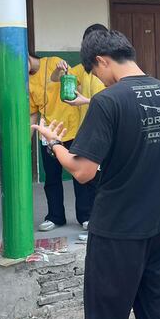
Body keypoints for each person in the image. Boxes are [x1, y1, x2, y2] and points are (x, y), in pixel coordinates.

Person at [32, 30, 160, 319]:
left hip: (117, 234)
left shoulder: (109, 101)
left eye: (95, 72)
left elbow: (82, 170)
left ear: (102, 60)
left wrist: (55, 143)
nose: (97, 79)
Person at [50, 23, 108, 240]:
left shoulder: (110, 70)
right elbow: (57, 80)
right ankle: (90, 220)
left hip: (107, 132)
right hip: (89, 130)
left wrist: (85, 100)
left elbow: (116, 102)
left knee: (100, 180)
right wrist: (59, 70)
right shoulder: (87, 70)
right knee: (86, 177)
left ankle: (99, 224)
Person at [29, 52, 93, 233]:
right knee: (52, 177)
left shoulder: (55, 62)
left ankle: (85, 216)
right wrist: (27, 141)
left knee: (79, 176)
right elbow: (33, 112)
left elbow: (68, 82)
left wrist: (58, 72)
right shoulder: (26, 81)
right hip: (49, 134)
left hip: (71, 129)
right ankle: (55, 216)